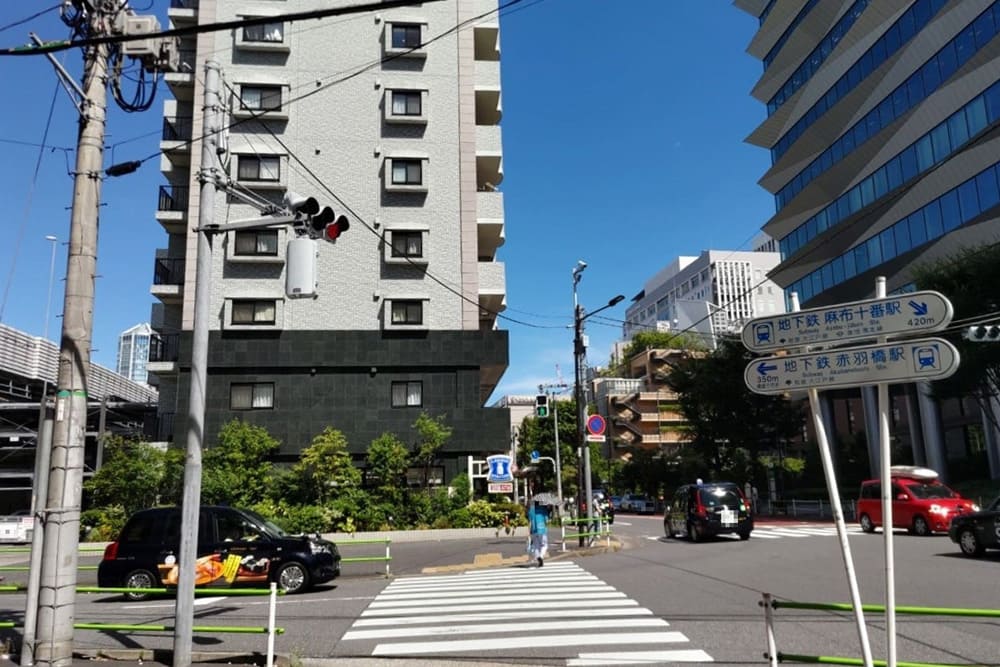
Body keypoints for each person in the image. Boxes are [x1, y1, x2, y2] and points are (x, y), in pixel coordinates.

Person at [527, 500, 550, 567]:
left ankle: (538, 558)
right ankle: (541, 556)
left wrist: (528, 532)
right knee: (544, 545)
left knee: (536, 546)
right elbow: (546, 521)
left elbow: (530, 522)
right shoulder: (543, 510)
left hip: (534, 530)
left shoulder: (531, 510)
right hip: (542, 530)